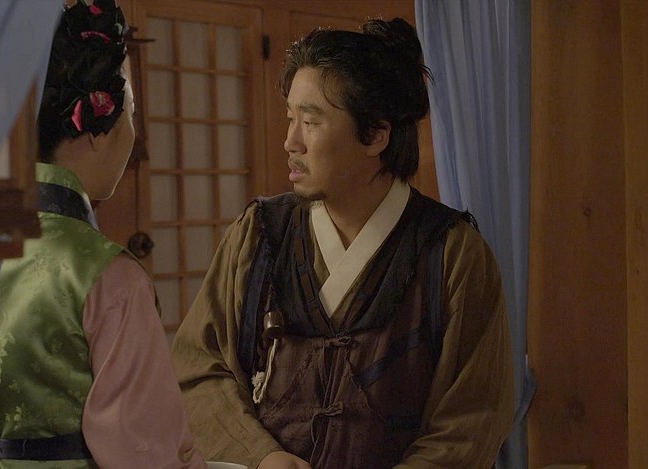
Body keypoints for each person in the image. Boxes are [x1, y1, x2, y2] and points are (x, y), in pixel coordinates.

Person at [170, 18, 514, 469]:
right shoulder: (258, 233)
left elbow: (472, 416)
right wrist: (261, 456)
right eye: (290, 118)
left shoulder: (452, 253)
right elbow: (199, 366)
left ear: (375, 135)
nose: (290, 141)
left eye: (311, 122)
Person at [0, 1, 205, 468]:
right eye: (131, 114)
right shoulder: (108, 274)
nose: (133, 131)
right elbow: (141, 450)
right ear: (97, 131)